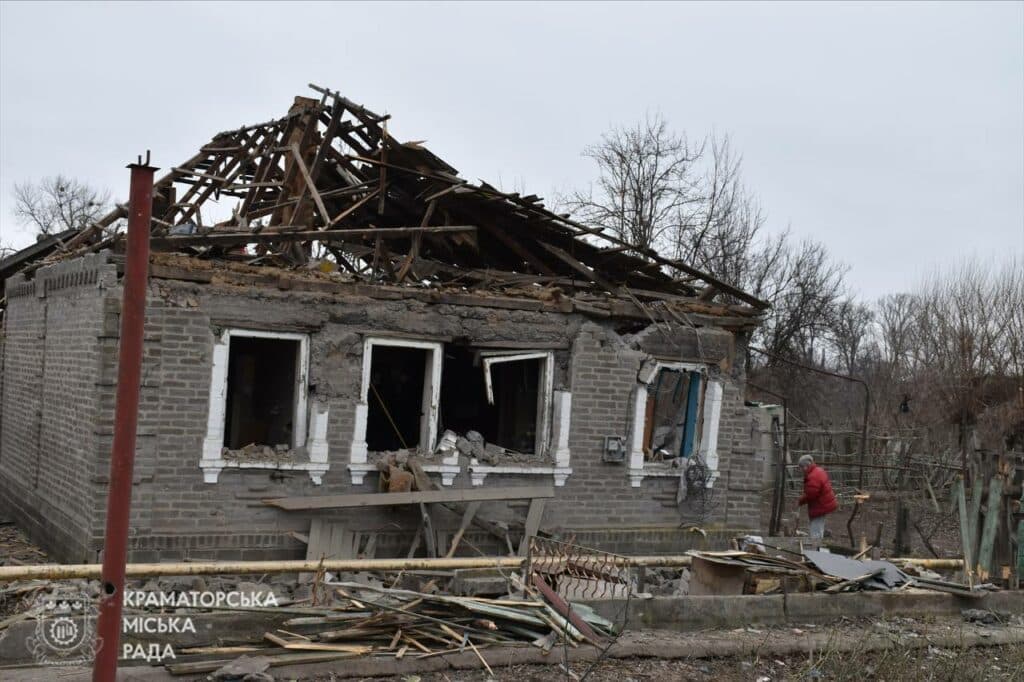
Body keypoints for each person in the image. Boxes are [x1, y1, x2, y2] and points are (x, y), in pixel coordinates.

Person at [797, 454, 837, 540]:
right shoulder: (818, 470)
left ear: (806, 466)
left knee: (815, 530)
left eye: (801, 467)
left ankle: (816, 549)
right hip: (823, 504)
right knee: (819, 527)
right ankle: (818, 546)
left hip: (819, 506)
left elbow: (811, 494)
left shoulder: (813, 476)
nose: (800, 470)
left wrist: (801, 500)